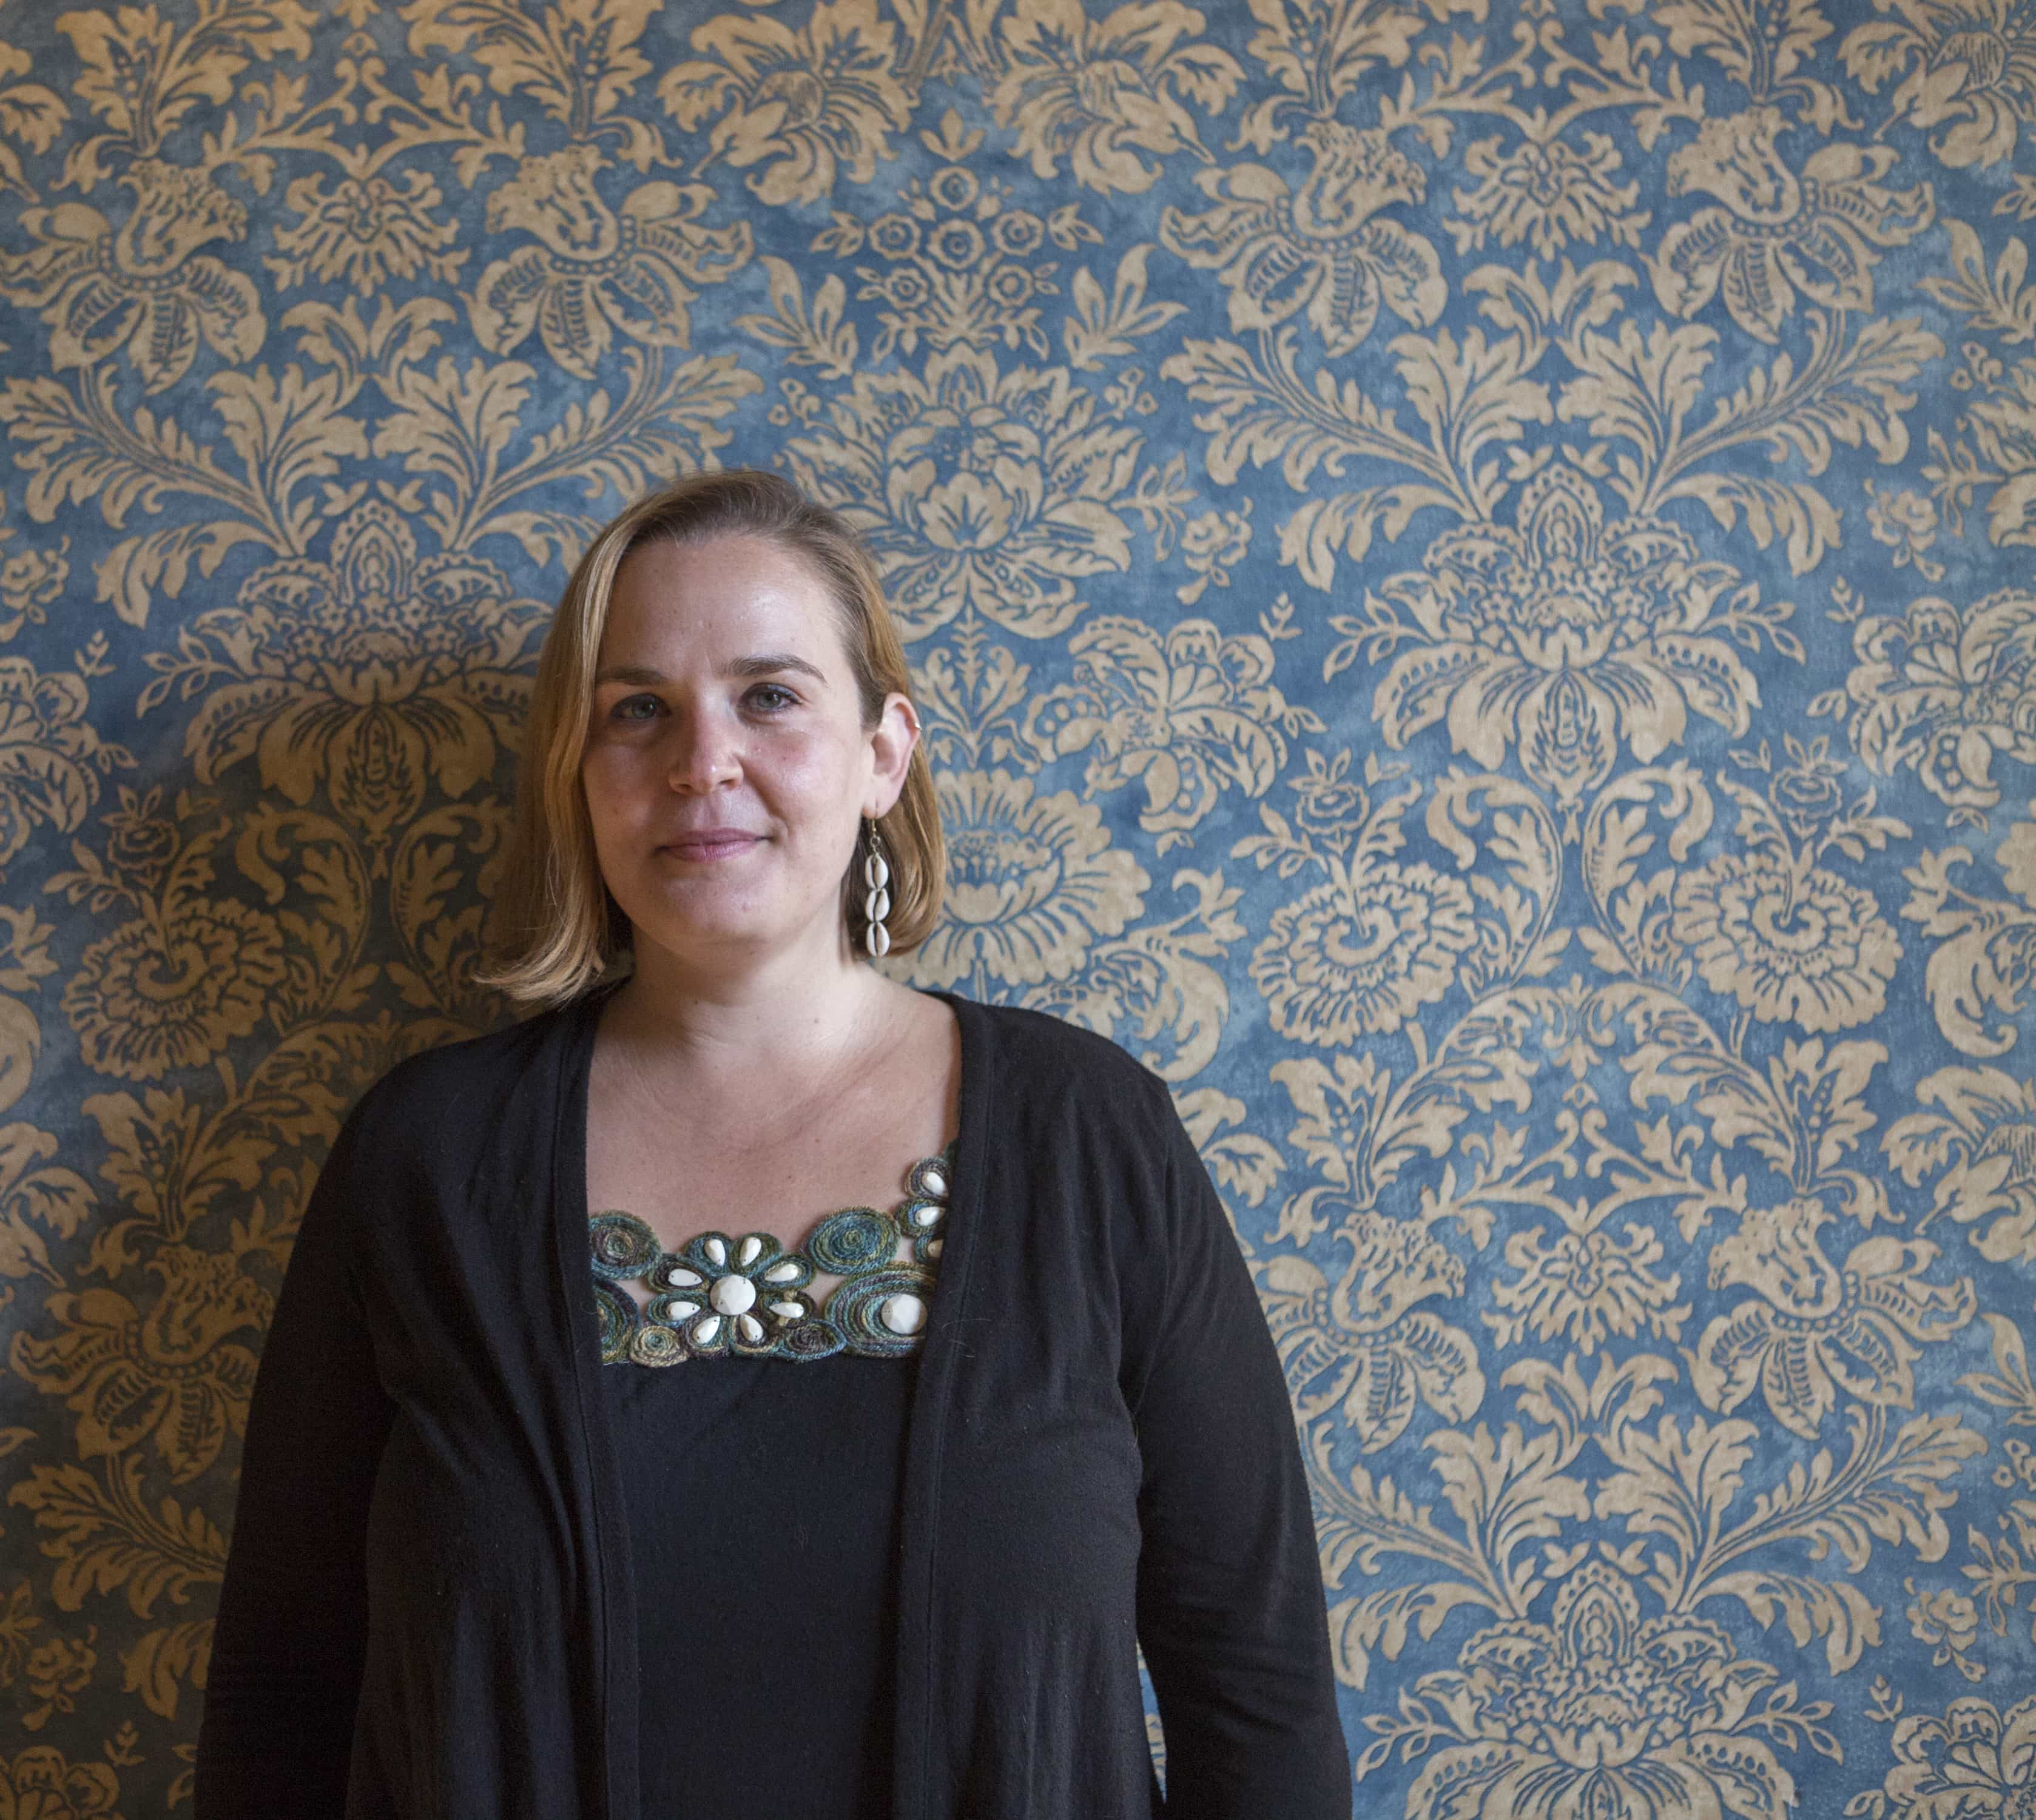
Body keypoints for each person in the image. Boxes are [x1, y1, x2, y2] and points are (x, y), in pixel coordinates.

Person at [196, 470, 1349, 1819]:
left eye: (771, 696)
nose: (702, 763)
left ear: (883, 753)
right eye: (637, 710)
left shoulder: (1092, 1139)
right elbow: (283, 1691)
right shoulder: (426, 1161)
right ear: (578, 773)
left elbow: (1256, 1689)